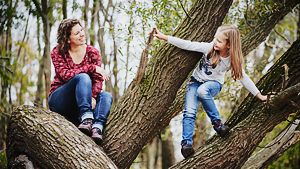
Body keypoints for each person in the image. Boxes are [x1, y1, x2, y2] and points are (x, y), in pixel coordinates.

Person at [153, 25, 267, 158]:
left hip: (213, 85)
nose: (215, 42)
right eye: (215, 38)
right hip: (194, 83)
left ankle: (218, 124)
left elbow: (244, 78)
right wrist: (165, 37)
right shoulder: (209, 48)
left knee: (202, 91)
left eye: (219, 41)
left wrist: (259, 95)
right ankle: (186, 144)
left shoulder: (231, 60)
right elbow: (188, 45)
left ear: (229, 45)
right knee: (189, 112)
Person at [48, 19, 112, 145]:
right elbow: (65, 75)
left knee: (106, 96)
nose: (82, 34)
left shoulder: (93, 52)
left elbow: (98, 79)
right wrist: (92, 68)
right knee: (83, 77)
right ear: (67, 39)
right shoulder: (58, 52)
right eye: (77, 33)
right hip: (60, 100)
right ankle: (87, 118)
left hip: (81, 103)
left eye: (82, 30)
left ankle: (97, 128)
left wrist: (93, 96)